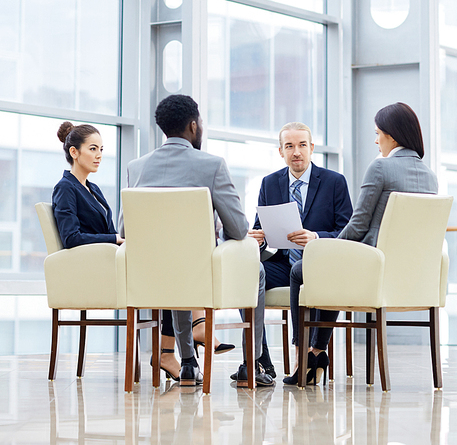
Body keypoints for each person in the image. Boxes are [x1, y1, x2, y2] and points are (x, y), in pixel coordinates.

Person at [122, 94, 274, 388]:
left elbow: (125, 230)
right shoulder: (212, 165)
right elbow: (239, 231)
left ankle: (189, 364)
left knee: (178, 271)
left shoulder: (136, 167)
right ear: (193, 126)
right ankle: (251, 365)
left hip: (149, 276)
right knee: (255, 271)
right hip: (200, 273)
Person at [288, 102, 439, 384]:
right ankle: (317, 351)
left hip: (370, 270)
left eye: (378, 133)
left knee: (302, 270)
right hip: (410, 276)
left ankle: (305, 355)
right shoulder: (431, 177)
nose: (375, 140)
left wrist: (326, 248)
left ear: (391, 136)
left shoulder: (381, 167)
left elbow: (357, 226)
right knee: (328, 269)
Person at [241, 122, 352, 385]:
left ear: (312, 148)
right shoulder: (270, 183)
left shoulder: (334, 182)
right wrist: (256, 237)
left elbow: (347, 232)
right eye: (289, 146)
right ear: (281, 151)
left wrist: (315, 236)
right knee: (243, 273)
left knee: (298, 271)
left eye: (302, 145)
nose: (296, 152)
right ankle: (259, 358)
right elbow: (259, 227)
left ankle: (305, 355)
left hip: (319, 263)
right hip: (281, 261)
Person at [52, 122, 124, 249]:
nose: (99, 155)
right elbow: (71, 238)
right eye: (93, 149)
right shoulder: (65, 187)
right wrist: (114, 238)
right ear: (74, 152)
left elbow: (110, 231)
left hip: (107, 254)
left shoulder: (94, 188)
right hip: (90, 259)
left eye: (101, 149)